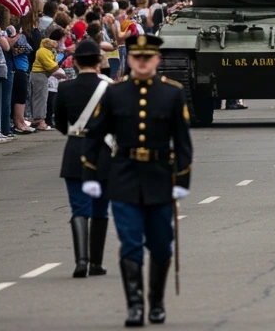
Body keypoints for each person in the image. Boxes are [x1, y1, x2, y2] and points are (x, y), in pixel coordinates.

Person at [81, 33, 192, 327]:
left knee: (161, 244)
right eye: (137, 58)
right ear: (129, 60)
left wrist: (183, 179)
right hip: (125, 176)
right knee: (130, 242)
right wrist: (90, 174)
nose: (142, 63)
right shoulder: (115, 93)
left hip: (159, 177)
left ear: (156, 59)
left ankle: (156, 303)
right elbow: (94, 134)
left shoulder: (172, 93)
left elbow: (182, 141)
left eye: (148, 57)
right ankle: (134, 306)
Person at [53, 38, 113, 278]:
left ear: (75, 62)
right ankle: (96, 263)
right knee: (101, 208)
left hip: (76, 148)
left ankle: (81, 261)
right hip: (103, 150)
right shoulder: (109, 86)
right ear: (100, 60)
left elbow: (58, 122)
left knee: (79, 206)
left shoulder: (65, 88)